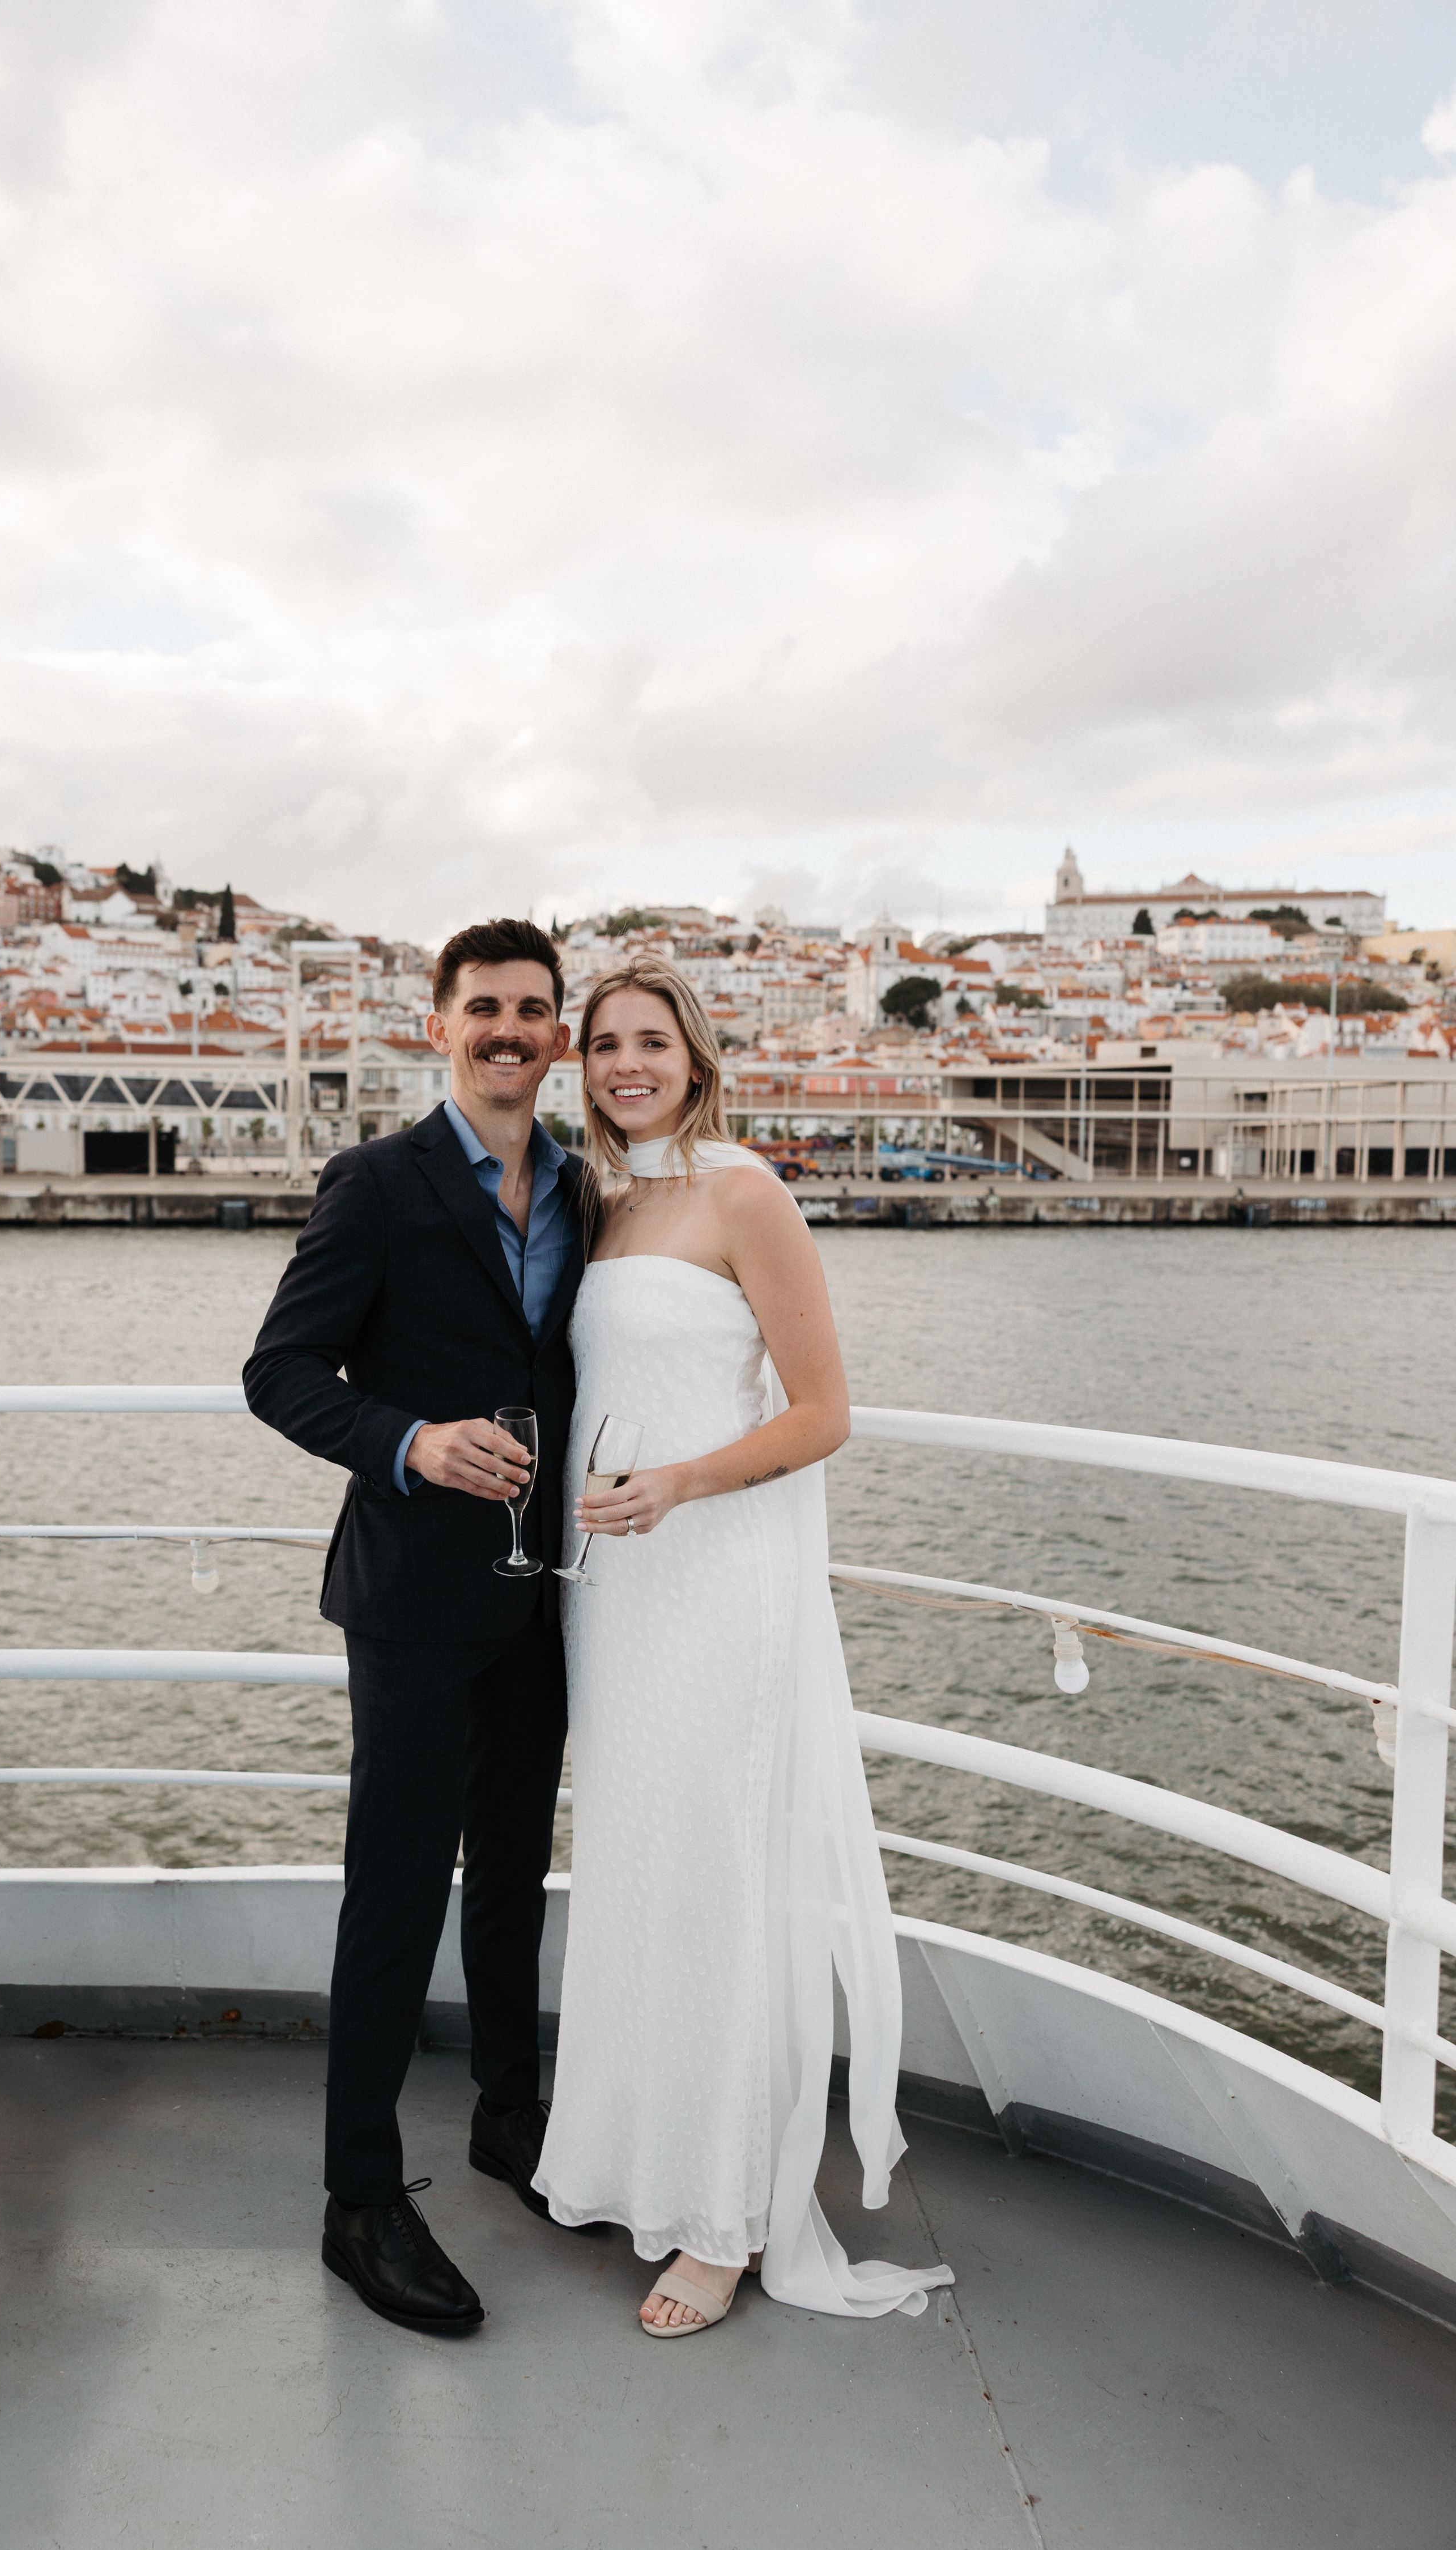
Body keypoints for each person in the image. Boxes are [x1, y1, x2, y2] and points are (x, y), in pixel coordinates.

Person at [531, 955, 953, 2335]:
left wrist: (681, 1485)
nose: (626, 1063)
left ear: (697, 1058)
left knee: (719, 1871)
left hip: (716, 1577)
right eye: (605, 1044)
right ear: (581, 1064)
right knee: (639, 1862)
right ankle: (626, 2163)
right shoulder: (598, 1199)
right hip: (617, 1586)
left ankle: (725, 2219)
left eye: (652, 1042)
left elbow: (825, 1411)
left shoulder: (744, 1191)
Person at [243, 916, 588, 2336]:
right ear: (438, 1027)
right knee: (395, 1887)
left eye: (533, 1011)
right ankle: (359, 2198)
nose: (510, 1031)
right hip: (410, 1601)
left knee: (514, 1869)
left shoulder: (590, 1189)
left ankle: (513, 2118)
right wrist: (409, 1444)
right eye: (484, 1009)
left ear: (558, 1037)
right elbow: (279, 1373)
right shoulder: (377, 1186)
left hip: (547, 1594)